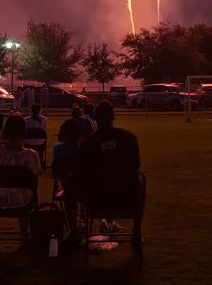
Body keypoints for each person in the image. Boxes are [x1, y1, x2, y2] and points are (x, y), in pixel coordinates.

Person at [74, 100, 145, 250]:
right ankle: (137, 229)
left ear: (96, 119)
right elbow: (136, 165)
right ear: (113, 117)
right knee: (141, 179)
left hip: (97, 200)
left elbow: (82, 172)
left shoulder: (89, 145)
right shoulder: (128, 138)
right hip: (125, 197)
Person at [0, 114, 41, 244]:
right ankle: (24, 234)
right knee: (24, 192)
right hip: (23, 201)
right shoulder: (30, 156)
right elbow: (34, 182)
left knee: (20, 191)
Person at [53, 118, 82, 242]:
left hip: (68, 187)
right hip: (82, 187)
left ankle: (73, 227)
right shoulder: (82, 147)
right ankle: (83, 221)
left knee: (70, 191)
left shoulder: (58, 149)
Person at [24, 103, 47, 168]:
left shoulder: (26, 119)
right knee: (42, 142)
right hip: (40, 142)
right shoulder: (44, 119)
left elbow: (25, 131)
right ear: (40, 110)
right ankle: (39, 162)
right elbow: (44, 131)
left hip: (28, 142)